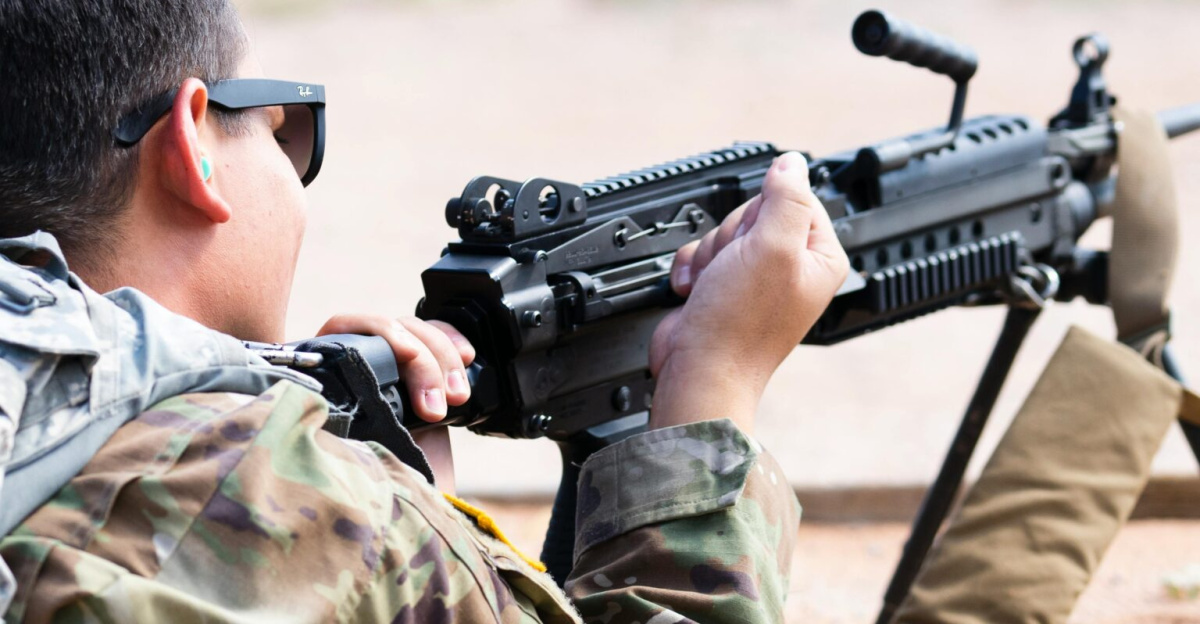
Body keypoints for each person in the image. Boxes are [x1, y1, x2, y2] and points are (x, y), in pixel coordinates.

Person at [0, 1, 849, 622]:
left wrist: (436, 535)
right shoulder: (278, 492)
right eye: (280, 127)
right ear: (195, 147)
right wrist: (715, 387)